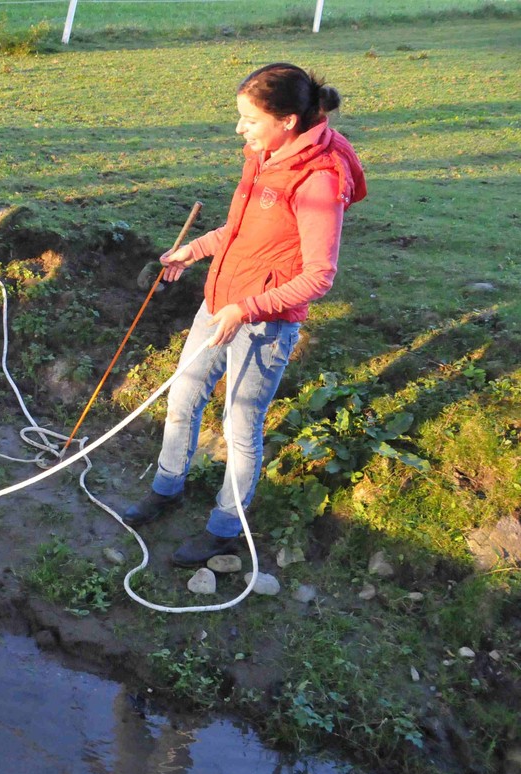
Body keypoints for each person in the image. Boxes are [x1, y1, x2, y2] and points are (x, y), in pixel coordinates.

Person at [121, 62, 367, 568]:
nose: (240, 129)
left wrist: (247, 309)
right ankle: (167, 489)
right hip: (219, 301)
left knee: (240, 424)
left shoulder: (318, 180)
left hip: (263, 323)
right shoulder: (264, 155)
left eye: (250, 119)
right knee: (183, 398)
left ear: (288, 122)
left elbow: (320, 276)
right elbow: (239, 232)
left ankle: (225, 527)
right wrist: (192, 251)